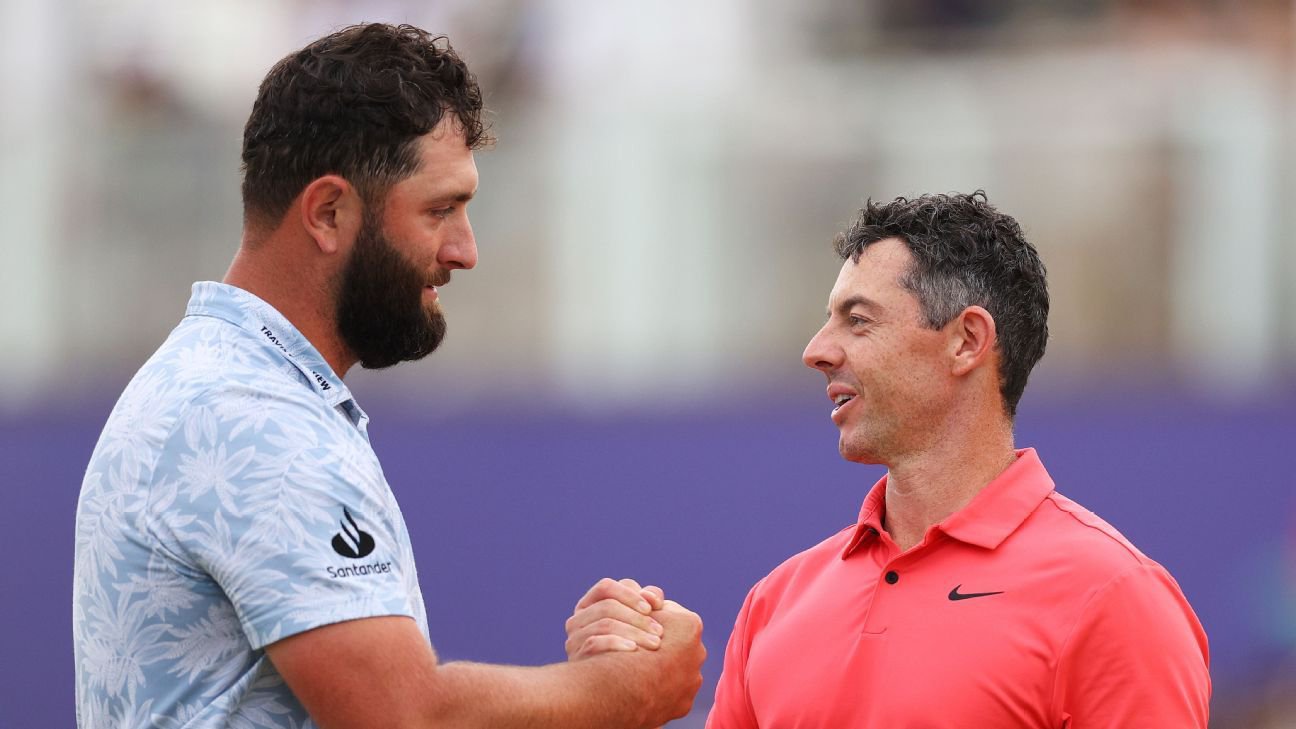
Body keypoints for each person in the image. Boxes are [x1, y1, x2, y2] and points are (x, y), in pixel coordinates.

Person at [72, 23, 703, 729]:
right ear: (329, 212)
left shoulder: (220, 385)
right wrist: (623, 688)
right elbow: (403, 716)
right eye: (440, 210)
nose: (464, 251)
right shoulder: (252, 418)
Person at [705, 192, 1211, 727]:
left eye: (857, 320)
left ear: (967, 341)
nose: (816, 350)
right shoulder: (775, 602)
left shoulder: (1115, 598)